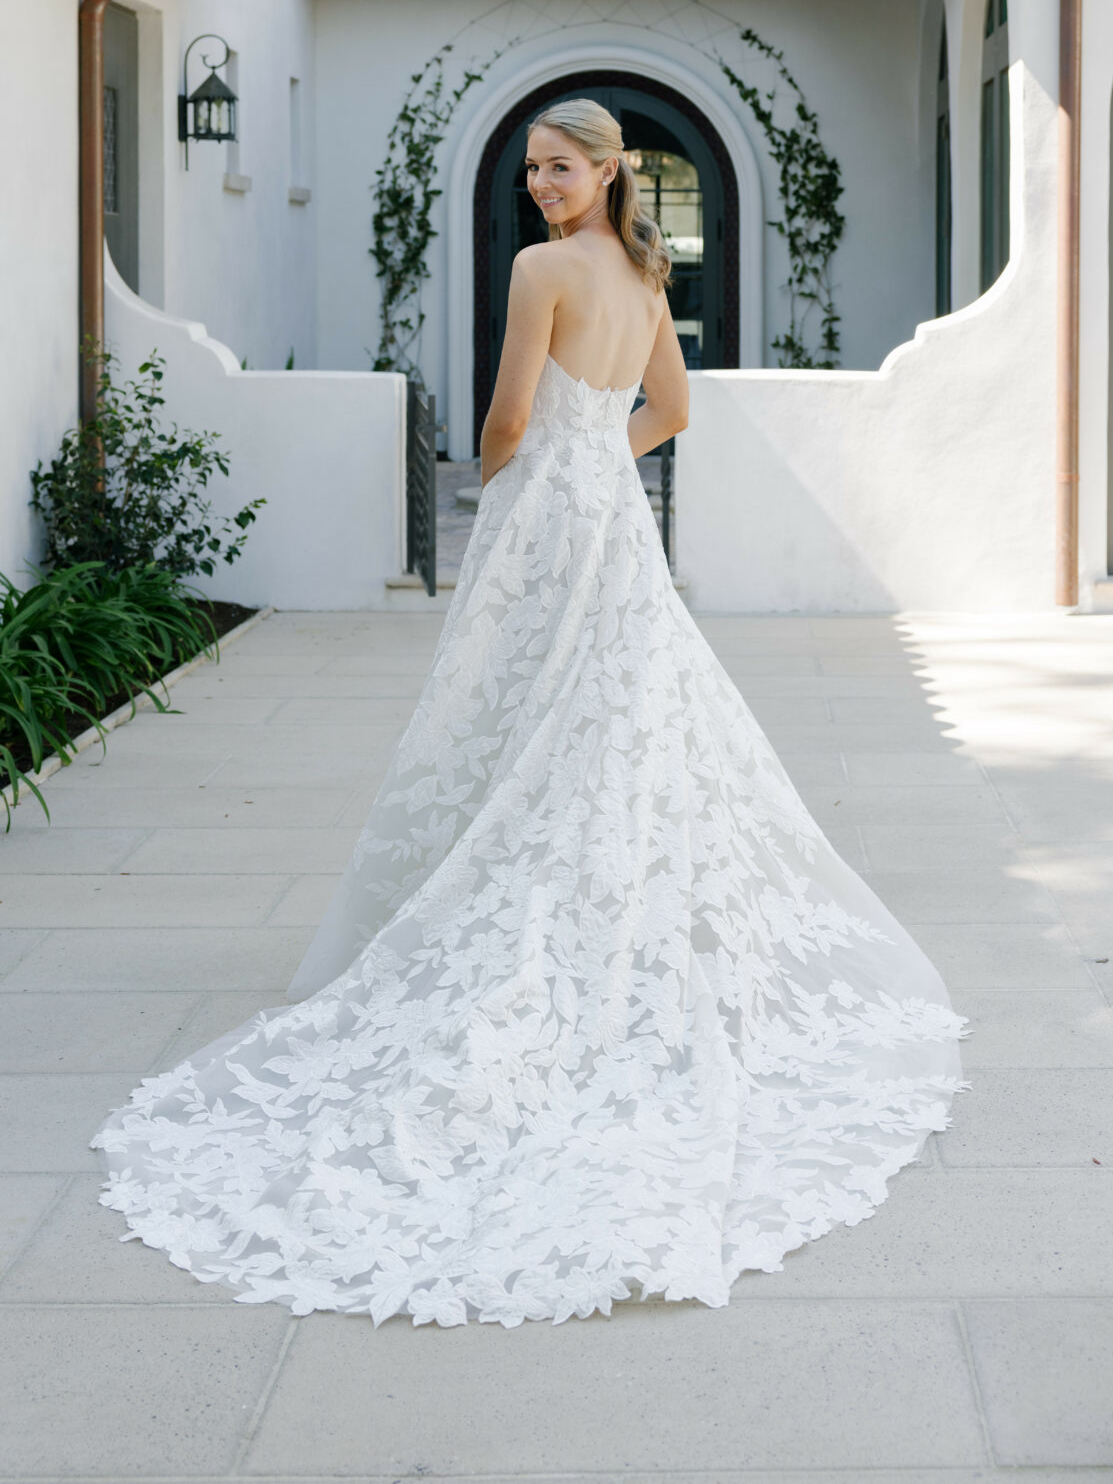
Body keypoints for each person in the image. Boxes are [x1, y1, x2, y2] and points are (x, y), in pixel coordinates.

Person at [92, 97, 970, 1328]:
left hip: (549, 518)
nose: (542, 185)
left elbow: (502, 420)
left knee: (524, 707)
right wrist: (599, 456)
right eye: (534, 171)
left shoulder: (544, 269)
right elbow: (666, 409)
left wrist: (522, 483)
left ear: (611, 172)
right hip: (607, 511)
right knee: (604, 710)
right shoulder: (643, 270)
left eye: (562, 168)